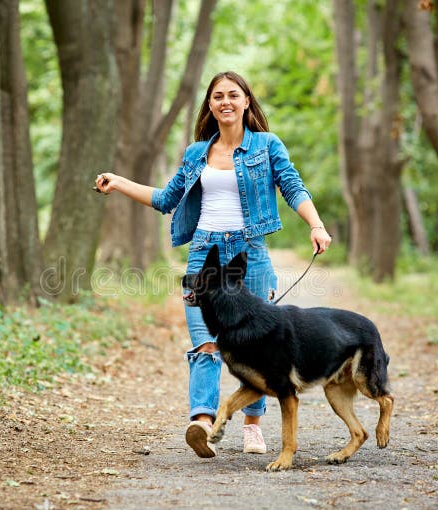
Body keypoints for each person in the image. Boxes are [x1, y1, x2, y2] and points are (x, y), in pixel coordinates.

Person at [95, 71, 332, 459]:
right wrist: (119, 182)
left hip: (249, 256)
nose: (225, 101)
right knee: (206, 344)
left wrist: (316, 225)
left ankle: (252, 427)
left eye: (233, 95)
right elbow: (165, 200)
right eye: (218, 95)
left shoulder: (268, 146)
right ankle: (203, 423)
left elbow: (292, 186)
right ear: (210, 105)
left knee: (259, 347)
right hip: (203, 255)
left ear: (246, 102)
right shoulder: (195, 153)